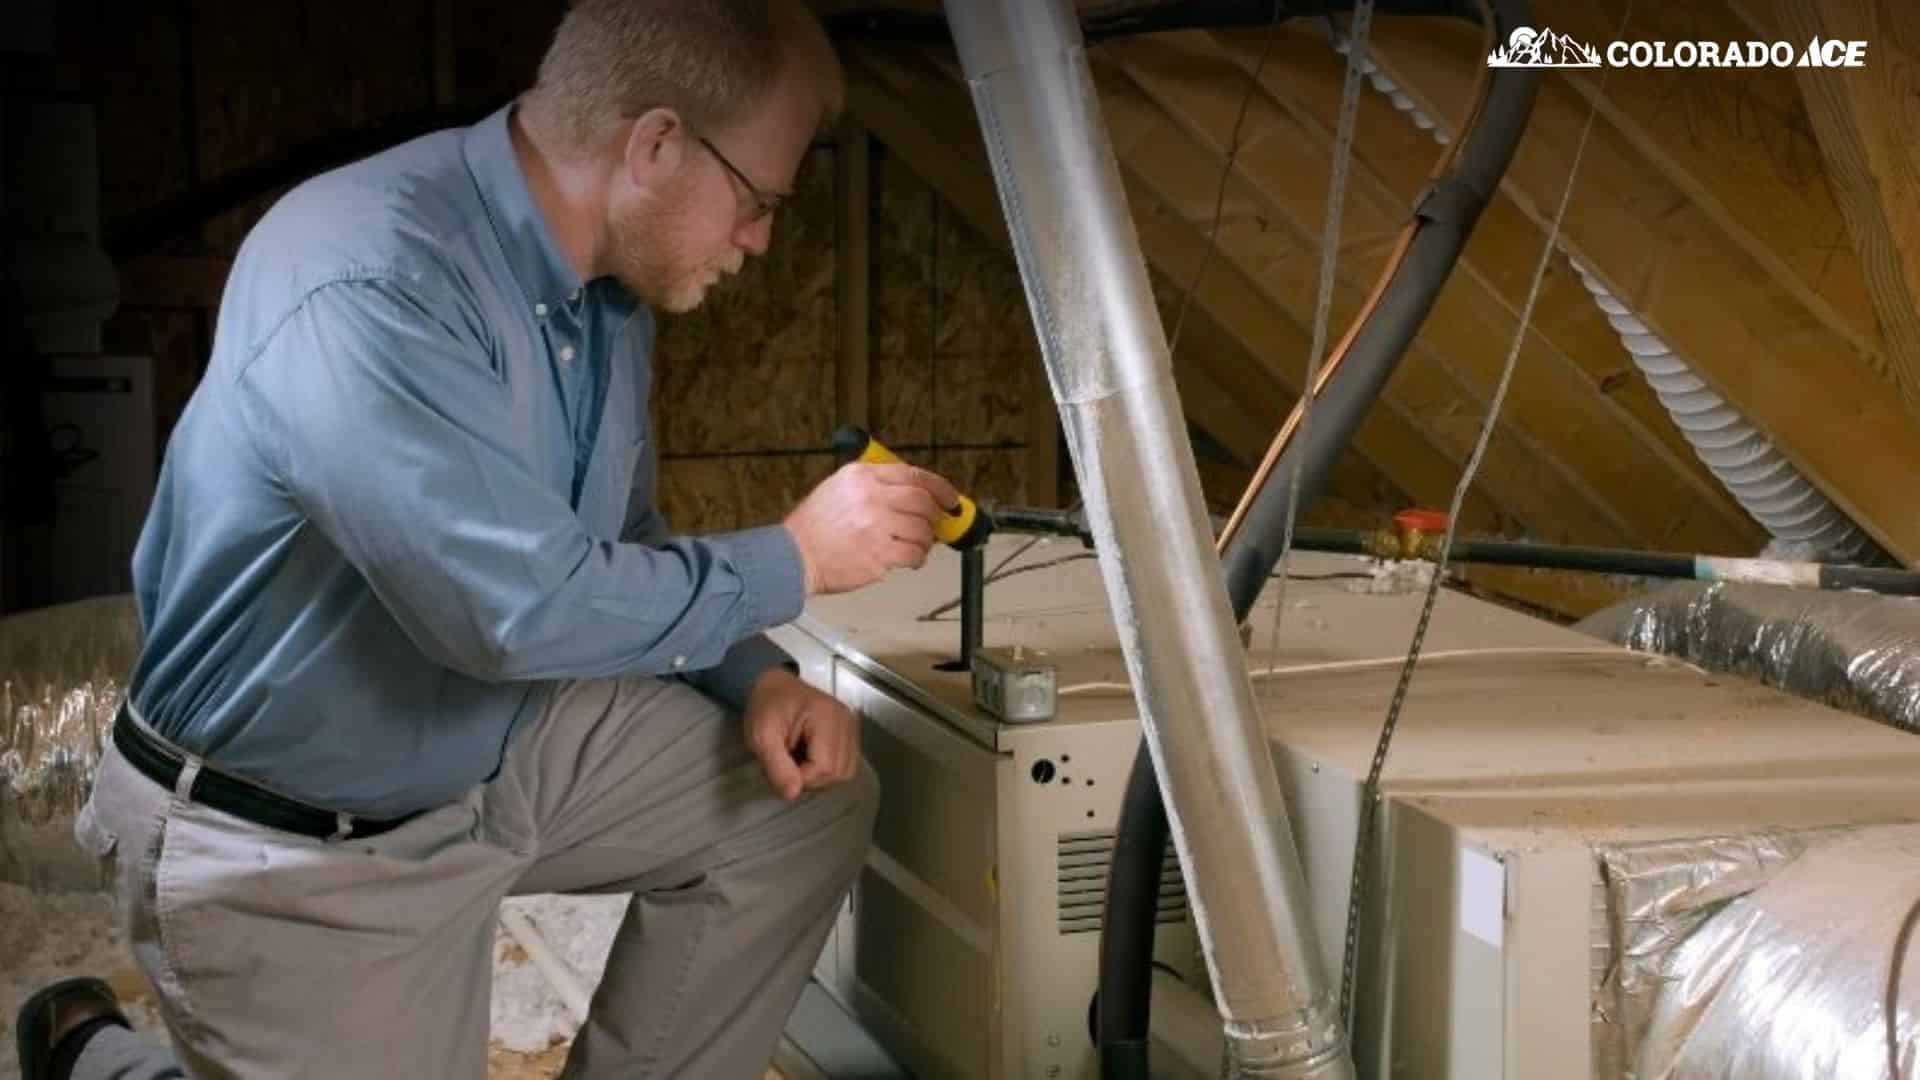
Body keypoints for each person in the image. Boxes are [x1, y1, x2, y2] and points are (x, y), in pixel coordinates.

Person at [15, 3, 960, 1078]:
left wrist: (753, 679)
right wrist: (792, 558)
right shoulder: (370, 274)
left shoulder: (601, 302)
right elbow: (509, 613)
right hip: (292, 843)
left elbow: (620, 538)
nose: (760, 240)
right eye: (758, 201)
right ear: (654, 144)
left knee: (800, 804)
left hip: (483, 750)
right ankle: (93, 1059)